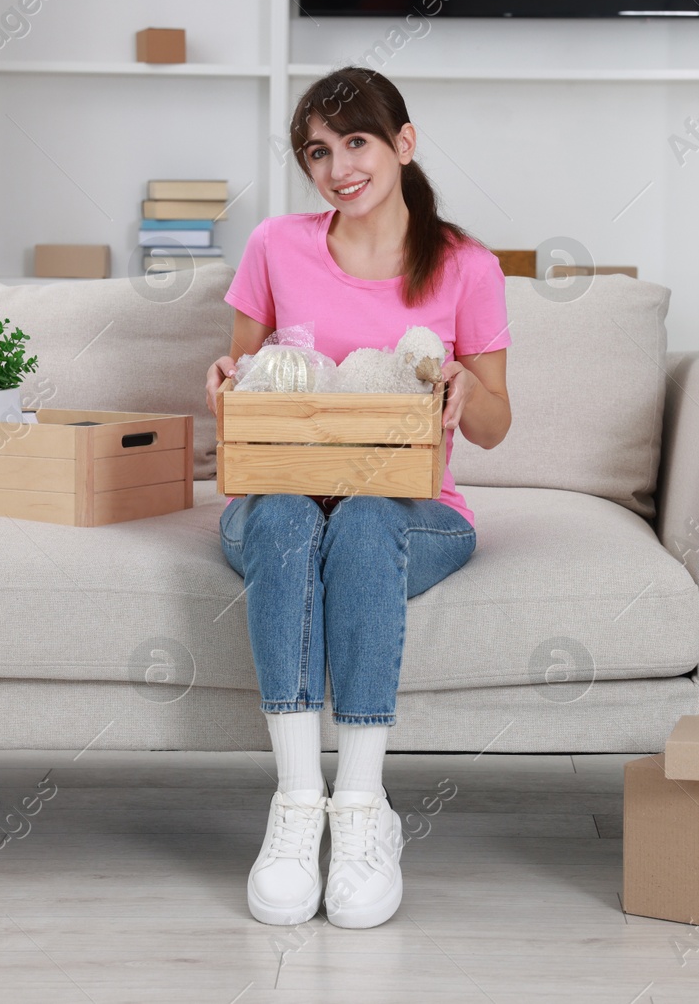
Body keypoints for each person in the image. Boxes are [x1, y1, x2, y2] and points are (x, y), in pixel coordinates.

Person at [204, 67, 512, 929]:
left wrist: (461, 389)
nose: (339, 166)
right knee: (292, 515)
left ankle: (366, 807)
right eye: (318, 151)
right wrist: (226, 382)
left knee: (368, 519)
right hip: (282, 495)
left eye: (357, 142)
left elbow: (494, 424)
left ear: (403, 144)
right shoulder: (275, 245)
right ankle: (299, 806)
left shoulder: (466, 267)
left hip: (418, 509)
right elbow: (242, 380)